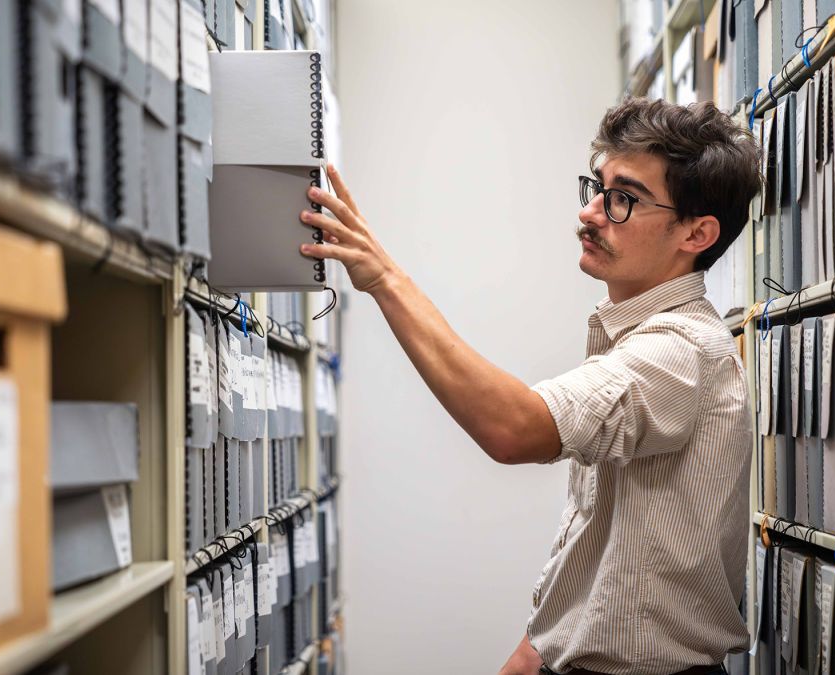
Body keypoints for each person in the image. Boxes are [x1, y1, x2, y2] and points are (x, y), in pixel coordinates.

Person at [299, 98, 763, 675]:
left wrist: (387, 280)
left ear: (697, 233)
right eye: (596, 188)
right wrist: (533, 651)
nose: (592, 213)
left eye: (624, 198)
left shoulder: (679, 352)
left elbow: (513, 428)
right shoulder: (639, 339)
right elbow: (604, 551)